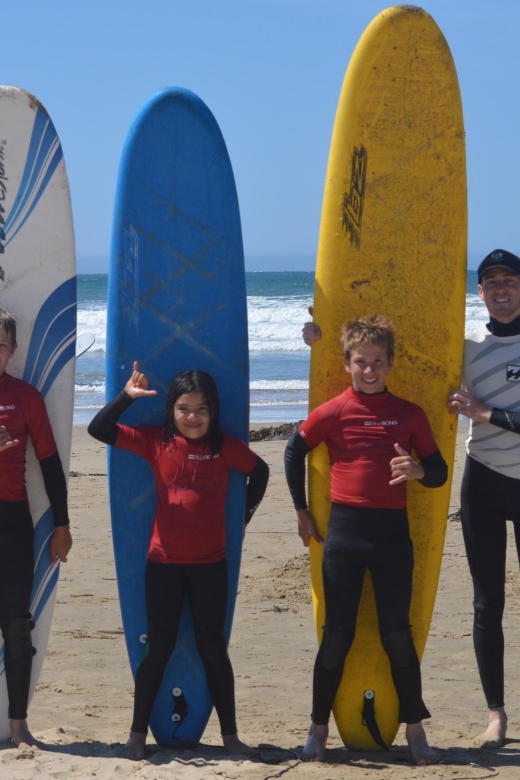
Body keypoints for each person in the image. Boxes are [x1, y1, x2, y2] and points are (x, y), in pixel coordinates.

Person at [285, 315, 447, 765]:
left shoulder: (410, 414)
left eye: (377, 362)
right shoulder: (334, 410)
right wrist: (301, 510)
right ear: (347, 363)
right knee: (337, 636)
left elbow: (438, 472)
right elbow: (294, 449)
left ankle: (415, 731)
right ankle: (317, 729)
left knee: (398, 635)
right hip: (345, 535)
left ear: (390, 363)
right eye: (361, 362)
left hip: (393, 536)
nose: (369, 370)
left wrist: (417, 471)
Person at [88, 363, 269, 760]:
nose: (193, 417)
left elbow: (261, 471)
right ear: (172, 409)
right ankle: (136, 734)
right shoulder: (156, 442)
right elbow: (98, 430)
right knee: (160, 648)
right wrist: (126, 398)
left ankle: (231, 736)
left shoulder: (225, 447)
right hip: (163, 564)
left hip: (210, 566)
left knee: (212, 650)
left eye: (202, 409)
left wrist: (243, 519)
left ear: (214, 411)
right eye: (184, 408)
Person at [447, 249, 520, 748]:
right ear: (480, 293)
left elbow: (478, 410)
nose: (500, 289)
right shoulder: (466, 345)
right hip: (485, 484)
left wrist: (485, 413)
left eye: (509, 281)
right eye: (490, 282)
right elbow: (390, 358)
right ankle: (496, 714)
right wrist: (320, 339)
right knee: (485, 602)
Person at [0, 309, 72, 749]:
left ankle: (18, 725)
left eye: (0, 345)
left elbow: (49, 463)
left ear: (11, 350)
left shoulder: (26, 397)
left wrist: (62, 524)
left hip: (11, 519)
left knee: (16, 624)